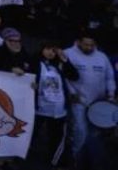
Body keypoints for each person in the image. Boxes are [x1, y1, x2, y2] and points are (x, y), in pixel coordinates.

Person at [64, 31, 115, 158]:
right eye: (86, 45)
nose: (89, 48)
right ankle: (77, 157)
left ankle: (92, 159)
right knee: (80, 130)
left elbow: (109, 77)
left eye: (92, 45)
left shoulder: (102, 56)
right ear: (79, 42)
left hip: (99, 101)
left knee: (95, 132)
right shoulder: (68, 53)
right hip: (79, 100)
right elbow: (64, 76)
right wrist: (71, 92)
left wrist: (111, 93)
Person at [28, 41, 79, 170]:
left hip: (58, 110)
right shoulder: (35, 62)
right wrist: (31, 84)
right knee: (31, 135)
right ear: (42, 49)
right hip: (39, 108)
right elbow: (25, 76)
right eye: (48, 49)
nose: (51, 53)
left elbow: (75, 76)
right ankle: (25, 159)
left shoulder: (60, 64)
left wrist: (65, 60)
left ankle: (56, 163)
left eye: (53, 50)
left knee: (56, 138)